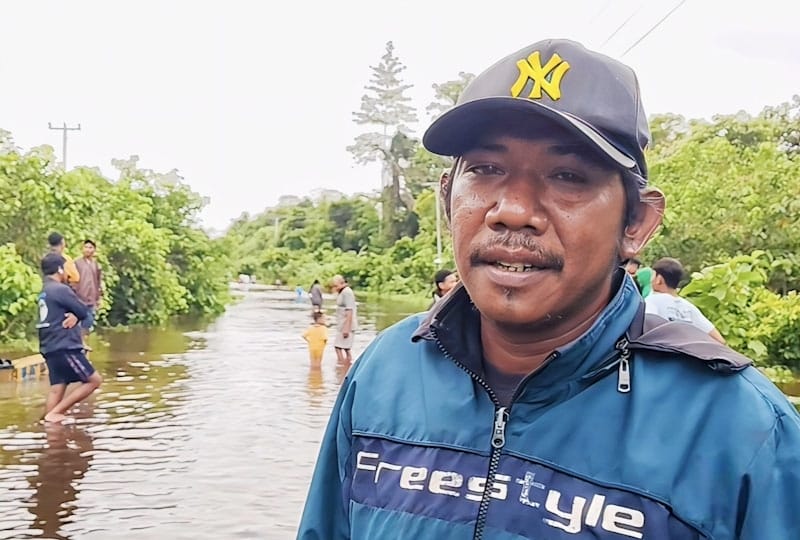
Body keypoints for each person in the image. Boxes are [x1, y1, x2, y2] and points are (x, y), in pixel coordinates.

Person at [299, 39, 800, 539]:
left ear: (637, 223)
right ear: (448, 198)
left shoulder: (742, 431)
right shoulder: (386, 370)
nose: (513, 210)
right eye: (486, 169)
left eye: (567, 176)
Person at [37, 253, 103, 424]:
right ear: (60, 269)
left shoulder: (45, 290)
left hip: (49, 346)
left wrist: (74, 314)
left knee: (57, 388)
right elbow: (83, 311)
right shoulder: (60, 289)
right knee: (94, 380)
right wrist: (76, 313)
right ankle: (56, 413)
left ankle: (47, 424)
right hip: (64, 345)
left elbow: (74, 312)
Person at [646, 257, 726, 344]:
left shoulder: (652, 301)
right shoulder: (689, 307)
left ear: (659, 279)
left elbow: (645, 326)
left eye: (653, 275)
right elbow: (719, 340)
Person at [73, 239, 103, 350]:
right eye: (86, 247)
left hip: (92, 297)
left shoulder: (96, 265)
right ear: (82, 249)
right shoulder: (77, 263)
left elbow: (98, 281)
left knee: (89, 320)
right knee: (77, 320)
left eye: (90, 247)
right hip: (79, 296)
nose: (88, 250)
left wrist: (99, 297)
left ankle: (82, 341)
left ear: (94, 250)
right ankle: (78, 342)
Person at [331, 275, 357, 364]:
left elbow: (350, 311)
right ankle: (345, 366)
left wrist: (346, 328)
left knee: (339, 347)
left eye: (336, 285)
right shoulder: (342, 292)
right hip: (342, 325)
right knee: (345, 348)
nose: (335, 288)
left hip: (347, 325)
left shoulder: (347, 292)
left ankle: (343, 366)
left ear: (342, 283)